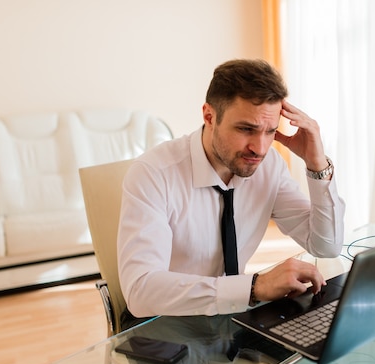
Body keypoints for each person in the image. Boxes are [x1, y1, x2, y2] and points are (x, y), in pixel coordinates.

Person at [117, 59, 345, 327]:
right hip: (164, 325)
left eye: (270, 131)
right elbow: (140, 291)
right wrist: (253, 287)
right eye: (246, 129)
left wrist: (317, 165)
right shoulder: (153, 174)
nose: (259, 148)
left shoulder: (269, 166)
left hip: (234, 317)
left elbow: (326, 246)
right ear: (209, 116)